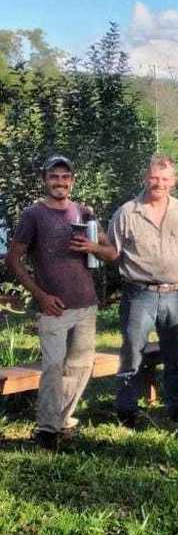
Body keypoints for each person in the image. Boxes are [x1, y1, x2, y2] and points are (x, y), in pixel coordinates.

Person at [6, 156, 102, 449]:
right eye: (54, 177)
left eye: (65, 177)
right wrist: (41, 296)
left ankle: (63, 420)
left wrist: (94, 246)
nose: (60, 183)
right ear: (44, 179)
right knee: (52, 368)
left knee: (81, 366)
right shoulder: (33, 215)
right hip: (54, 307)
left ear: (72, 180)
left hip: (86, 304)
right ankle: (47, 430)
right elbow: (12, 260)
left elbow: (109, 252)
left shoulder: (84, 212)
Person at [102, 156, 178, 428]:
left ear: (174, 181)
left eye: (165, 179)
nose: (159, 183)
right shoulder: (127, 213)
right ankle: (127, 411)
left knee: (175, 355)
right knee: (133, 353)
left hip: (175, 294)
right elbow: (113, 252)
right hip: (139, 293)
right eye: (155, 178)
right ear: (146, 178)